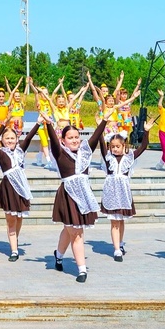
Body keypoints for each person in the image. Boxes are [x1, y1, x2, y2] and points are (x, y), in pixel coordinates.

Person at [43, 111, 105, 283]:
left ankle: (59, 255)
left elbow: (96, 136)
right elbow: (54, 143)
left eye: (77, 137)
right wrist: (48, 124)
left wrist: (105, 119)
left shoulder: (85, 153)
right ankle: (82, 270)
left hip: (83, 195)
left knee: (70, 230)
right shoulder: (60, 153)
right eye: (70, 137)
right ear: (63, 140)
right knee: (76, 232)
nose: (75, 140)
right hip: (68, 195)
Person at [96, 120, 152, 262]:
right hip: (111, 191)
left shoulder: (129, 157)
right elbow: (101, 144)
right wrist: (100, 127)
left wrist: (146, 131)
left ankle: (120, 243)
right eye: (113, 146)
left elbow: (144, 146)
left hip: (123, 191)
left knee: (121, 221)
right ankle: (116, 250)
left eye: (118, 146)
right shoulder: (108, 157)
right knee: (114, 221)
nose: (115, 149)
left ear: (124, 146)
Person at [0, 113, 39, 261]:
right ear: (3, 141)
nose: (10, 141)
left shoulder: (19, 151)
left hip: (22, 187)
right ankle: (14, 250)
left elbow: (29, 138)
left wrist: (38, 123)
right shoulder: (0, 153)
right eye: (7, 138)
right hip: (9, 187)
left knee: (19, 217)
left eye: (12, 138)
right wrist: (3, 126)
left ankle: (14, 240)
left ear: (16, 139)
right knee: (11, 219)